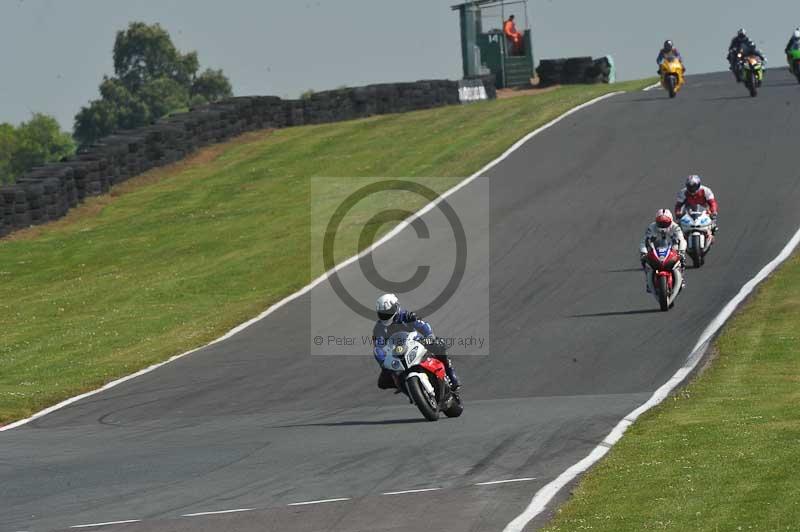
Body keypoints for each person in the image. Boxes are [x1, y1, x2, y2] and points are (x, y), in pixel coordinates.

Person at [372, 293, 460, 391]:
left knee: (439, 345)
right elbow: (378, 346)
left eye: (388, 312)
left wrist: (429, 336)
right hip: (396, 353)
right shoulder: (379, 328)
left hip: (415, 342)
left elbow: (422, 326)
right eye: (383, 314)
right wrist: (383, 360)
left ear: (396, 307)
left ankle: (451, 375)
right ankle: (408, 389)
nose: (386, 315)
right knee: (383, 382)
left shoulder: (406, 315)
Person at [639, 209, 687, 293]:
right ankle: (648, 280)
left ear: (671, 221)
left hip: (672, 248)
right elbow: (643, 241)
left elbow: (682, 240)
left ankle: (681, 277)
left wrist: (682, 252)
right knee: (644, 261)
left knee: (682, 260)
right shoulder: (651, 227)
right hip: (657, 248)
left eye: (665, 223)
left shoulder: (675, 227)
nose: (663, 225)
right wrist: (644, 253)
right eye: (660, 223)